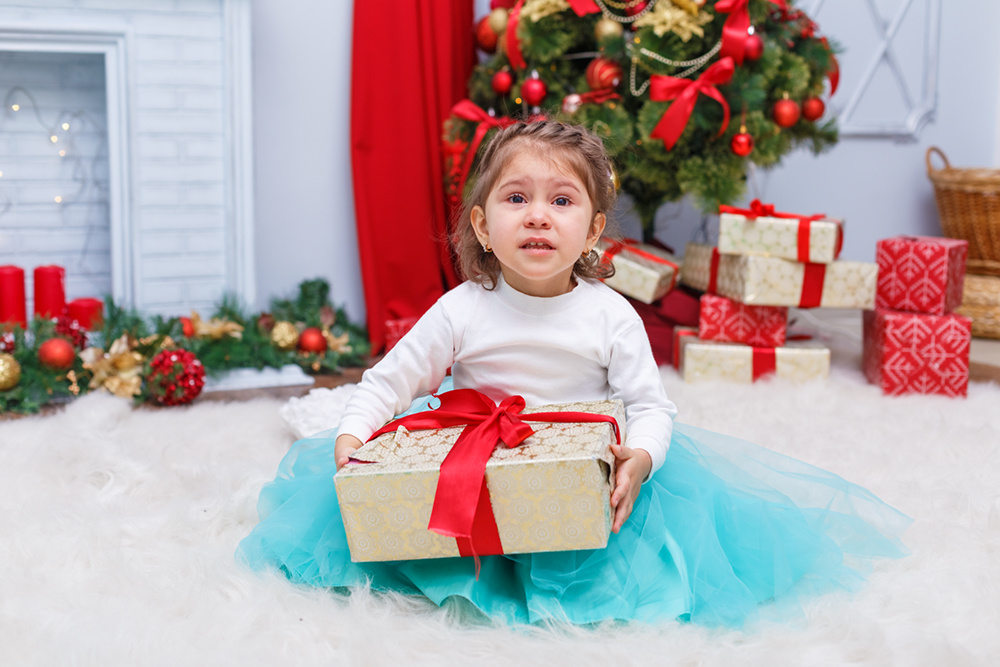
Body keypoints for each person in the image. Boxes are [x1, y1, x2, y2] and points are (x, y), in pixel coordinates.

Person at [239, 121, 909, 628]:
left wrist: (640, 459)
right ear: (482, 225)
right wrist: (354, 434)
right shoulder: (461, 308)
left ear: (592, 231)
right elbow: (389, 380)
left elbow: (651, 406)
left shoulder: (609, 315)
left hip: (577, 470)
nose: (537, 214)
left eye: (561, 201)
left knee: (626, 555)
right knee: (405, 527)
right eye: (516, 198)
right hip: (477, 462)